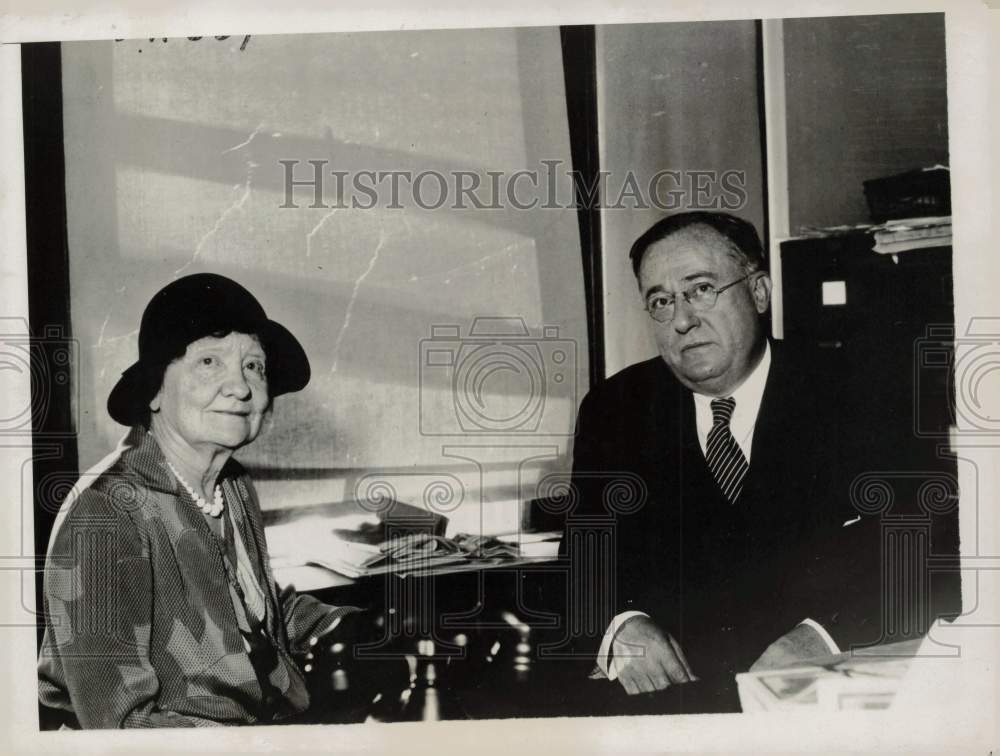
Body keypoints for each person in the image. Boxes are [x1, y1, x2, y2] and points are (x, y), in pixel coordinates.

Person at [558, 211, 959, 698]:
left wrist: (826, 637)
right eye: (661, 301)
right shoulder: (617, 408)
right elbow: (582, 564)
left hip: (827, 693)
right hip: (675, 700)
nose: (682, 319)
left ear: (760, 292)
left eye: (701, 288)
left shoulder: (861, 394)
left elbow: (927, 547)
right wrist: (621, 627)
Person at [38, 273, 386, 728]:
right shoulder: (108, 513)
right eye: (208, 362)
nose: (240, 388)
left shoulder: (231, 486)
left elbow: (253, 613)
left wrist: (360, 626)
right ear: (157, 391)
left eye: (253, 367)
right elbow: (121, 727)